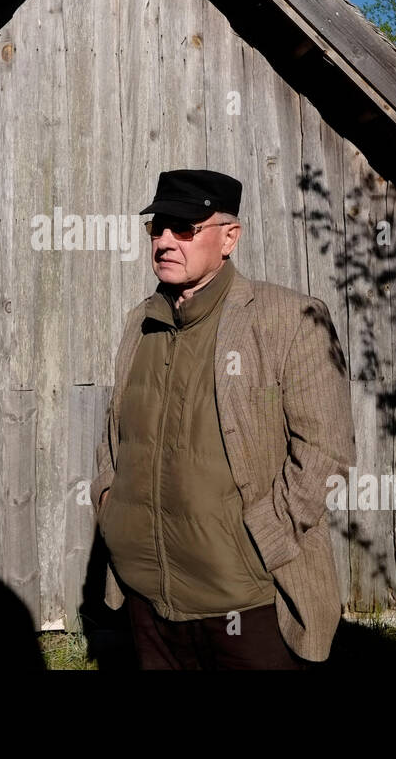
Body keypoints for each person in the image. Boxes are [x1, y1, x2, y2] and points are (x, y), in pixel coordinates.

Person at [90, 169, 356, 669]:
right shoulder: (140, 322)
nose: (166, 240)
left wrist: (262, 538)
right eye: (159, 226)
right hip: (147, 593)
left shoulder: (290, 320)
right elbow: (114, 431)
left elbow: (326, 451)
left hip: (246, 597)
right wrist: (110, 505)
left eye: (185, 227)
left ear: (229, 237)